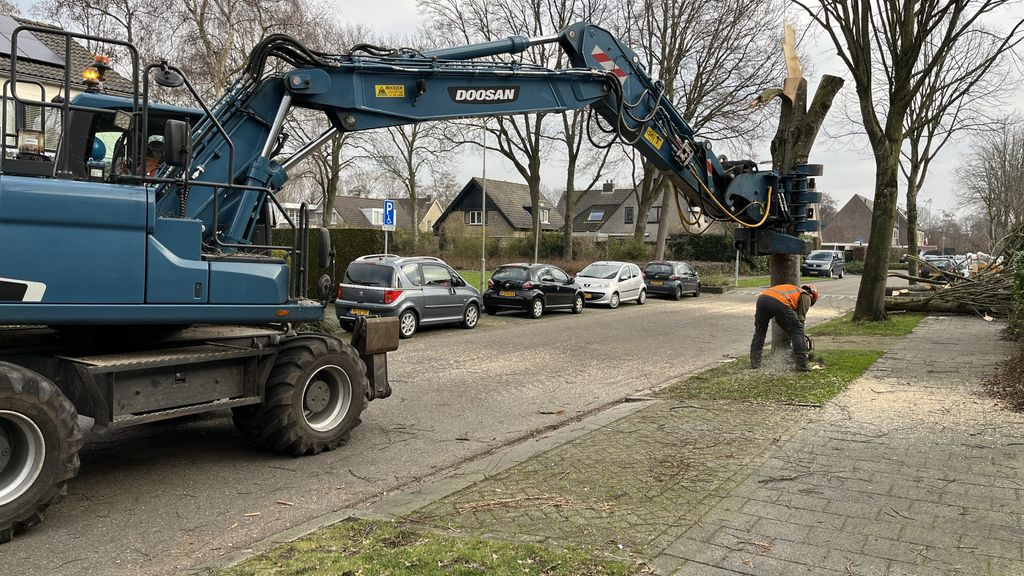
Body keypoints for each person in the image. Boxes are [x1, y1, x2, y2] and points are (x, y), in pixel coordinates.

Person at [749, 283, 818, 372]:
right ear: (812, 296)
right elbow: (800, 320)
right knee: (798, 329)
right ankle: (801, 364)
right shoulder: (805, 296)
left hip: (762, 299)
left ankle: (755, 363)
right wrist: (800, 337)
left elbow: (781, 319)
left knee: (760, 332)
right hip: (778, 301)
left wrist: (791, 332)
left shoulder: (792, 291)